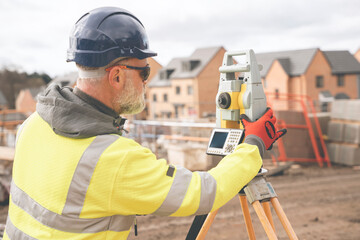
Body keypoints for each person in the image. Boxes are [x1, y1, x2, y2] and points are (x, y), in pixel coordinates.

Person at [4, 7, 286, 240]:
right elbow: (203, 193)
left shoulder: (34, 124)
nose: (147, 81)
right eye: (144, 71)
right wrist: (254, 144)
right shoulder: (110, 157)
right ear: (116, 76)